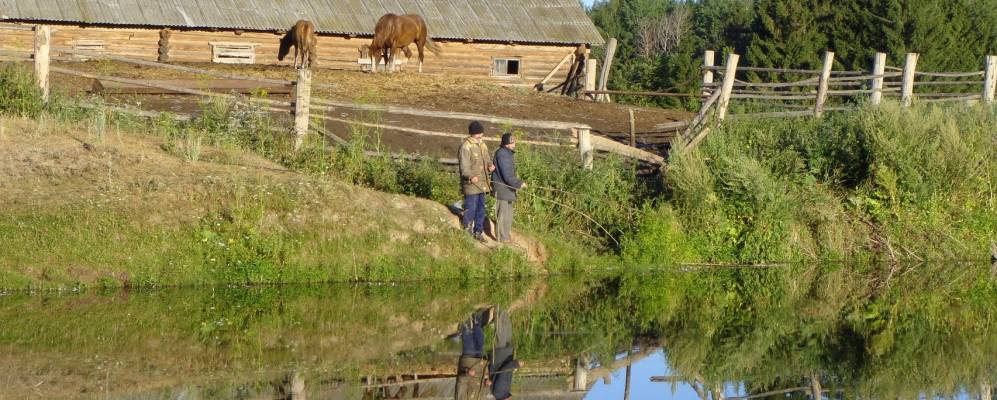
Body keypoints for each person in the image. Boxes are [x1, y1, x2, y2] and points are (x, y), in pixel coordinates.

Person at [458, 121, 495, 241]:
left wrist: (490, 165)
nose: (480, 135)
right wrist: (470, 176)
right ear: (472, 134)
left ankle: (478, 232)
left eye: (481, 133)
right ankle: (467, 229)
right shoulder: (466, 147)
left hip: (483, 183)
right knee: (471, 208)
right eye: (477, 133)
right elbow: (464, 167)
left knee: (481, 209)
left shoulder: (483, 145)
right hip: (471, 184)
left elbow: (487, 159)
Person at [491, 133, 526, 243]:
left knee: (508, 214)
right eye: (512, 143)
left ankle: (505, 236)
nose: (514, 145)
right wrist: (519, 183)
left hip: (508, 188)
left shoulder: (507, 153)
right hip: (502, 187)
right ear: (507, 144)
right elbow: (507, 175)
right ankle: (501, 238)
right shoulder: (502, 154)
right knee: (502, 214)